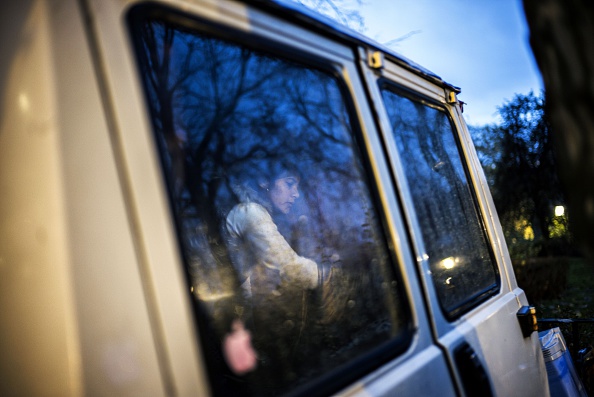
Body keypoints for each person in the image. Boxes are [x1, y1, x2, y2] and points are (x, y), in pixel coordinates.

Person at [224, 161, 320, 391]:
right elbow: (287, 266)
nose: (295, 194)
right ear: (265, 182)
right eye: (289, 184)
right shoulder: (250, 212)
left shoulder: (255, 211)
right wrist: (327, 275)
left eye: (296, 187)